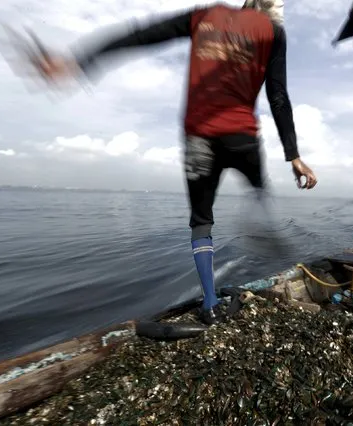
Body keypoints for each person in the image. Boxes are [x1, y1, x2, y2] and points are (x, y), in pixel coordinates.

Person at [29, 1, 318, 324]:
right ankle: (259, 214)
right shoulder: (273, 31)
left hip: (198, 138)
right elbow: (278, 95)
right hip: (241, 137)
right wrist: (293, 155)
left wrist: (78, 62)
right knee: (258, 187)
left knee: (201, 221)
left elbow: (143, 34)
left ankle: (209, 302)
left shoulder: (204, 16)